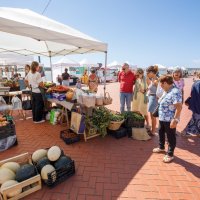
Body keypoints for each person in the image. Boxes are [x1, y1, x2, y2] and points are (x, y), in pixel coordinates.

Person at [153, 75, 182, 163]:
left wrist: (175, 119)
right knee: (161, 132)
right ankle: (161, 147)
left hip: (170, 119)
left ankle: (170, 154)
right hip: (162, 117)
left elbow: (179, 107)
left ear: (165, 83)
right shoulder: (167, 90)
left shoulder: (175, 91)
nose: (160, 86)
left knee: (170, 136)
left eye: (161, 84)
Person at [182, 72, 200, 137]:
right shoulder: (197, 84)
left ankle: (186, 132)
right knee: (195, 119)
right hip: (198, 106)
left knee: (195, 119)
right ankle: (186, 132)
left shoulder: (195, 83)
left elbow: (192, 94)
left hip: (195, 105)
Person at [146, 65, 159, 135]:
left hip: (154, 98)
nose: (147, 74)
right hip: (151, 97)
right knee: (151, 115)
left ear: (151, 72)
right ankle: (152, 130)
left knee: (153, 116)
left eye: (148, 72)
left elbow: (160, 90)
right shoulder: (152, 80)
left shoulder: (156, 80)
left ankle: (153, 131)